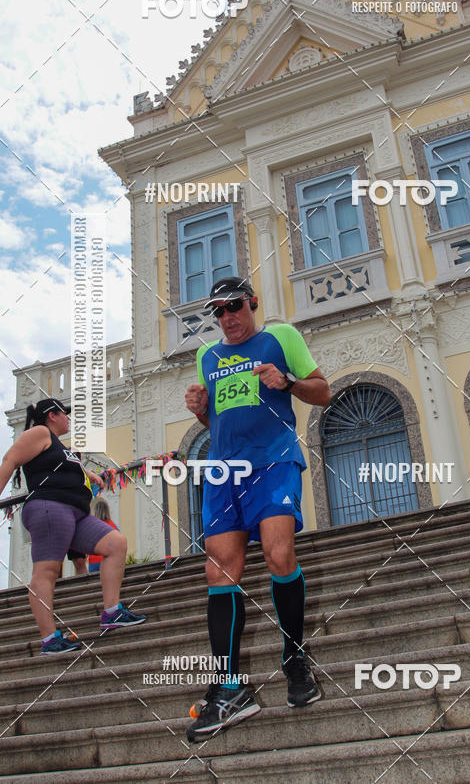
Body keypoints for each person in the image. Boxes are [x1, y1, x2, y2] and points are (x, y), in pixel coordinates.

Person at [184, 276, 331, 740]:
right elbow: (223, 418)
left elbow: (322, 391)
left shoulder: (280, 337)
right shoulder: (207, 357)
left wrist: (286, 380)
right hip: (223, 471)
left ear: (252, 303)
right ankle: (231, 689)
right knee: (218, 571)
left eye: (234, 307)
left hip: (273, 459)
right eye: (219, 311)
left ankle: (295, 660)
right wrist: (200, 413)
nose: (227, 317)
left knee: (278, 555)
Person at [0, 398, 147, 655]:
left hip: (77, 513)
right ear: (51, 416)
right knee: (46, 571)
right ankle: (49, 639)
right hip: (49, 507)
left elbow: (67, 464)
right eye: (64, 413)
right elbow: (10, 459)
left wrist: (88, 474)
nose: (68, 417)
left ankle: (112, 612)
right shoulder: (39, 432)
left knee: (116, 543)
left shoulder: (59, 446)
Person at [88, 499, 119, 572]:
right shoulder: (113, 526)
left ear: (96, 511)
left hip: (94, 561)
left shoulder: (93, 526)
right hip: (109, 560)